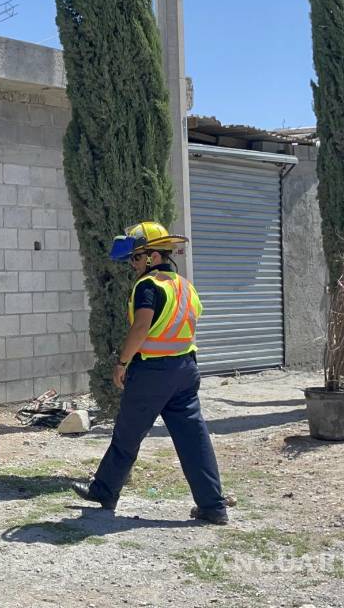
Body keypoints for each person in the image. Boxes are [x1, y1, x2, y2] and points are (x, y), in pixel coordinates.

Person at [71, 221, 228, 524]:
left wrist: (122, 361)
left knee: (128, 434)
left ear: (153, 257)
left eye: (135, 257)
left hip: (153, 371)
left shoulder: (148, 285)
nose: (132, 264)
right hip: (185, 369)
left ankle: (104, 491)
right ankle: (213, 506)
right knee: (193, 438)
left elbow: (142, 326)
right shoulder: (185, 285)